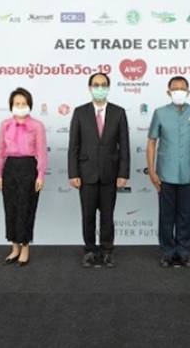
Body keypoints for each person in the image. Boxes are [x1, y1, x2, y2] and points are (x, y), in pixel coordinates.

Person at [68, 73, 130, 268]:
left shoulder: (119, 112)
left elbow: (124, 146)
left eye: (103, 85)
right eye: (96, 85)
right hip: (86, 174)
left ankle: (107, 251)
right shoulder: (80, 112)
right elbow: (73, 146)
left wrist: (123, 173)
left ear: (108, 88)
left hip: (110, 174)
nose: (100, 88)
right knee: (88, 216)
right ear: (90, 88)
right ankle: (89, 251)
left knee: (107, 216)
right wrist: (73, 173)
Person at [147, 76, 190, 268]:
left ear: (188, 92)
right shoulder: (160, 113)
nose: (179, 91)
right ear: (168, 92)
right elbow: (151, 142)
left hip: (188, 172)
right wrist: (151, 171)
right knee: (166, 216)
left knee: (185, 215)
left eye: (182, 88)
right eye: (175, 88)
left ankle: (183, 252)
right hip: (165, 173)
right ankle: (167, 252)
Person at [0, 88, 47, 267]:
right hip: (10, 167)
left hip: (28, 167)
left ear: (29, 105)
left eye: (24, 103)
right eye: (17, 103)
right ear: (11, 106)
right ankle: (14, 247)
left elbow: (41, 152)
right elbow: (0, 150)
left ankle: (25, 247)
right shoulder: (5, 125)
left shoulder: (37, 126)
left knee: (26, 208)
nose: (20, 106)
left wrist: (40, 175)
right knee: (11, 208)